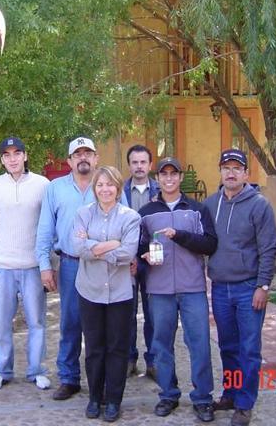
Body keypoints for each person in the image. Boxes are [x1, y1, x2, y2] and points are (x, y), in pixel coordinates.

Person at [36, 136, 128, 400]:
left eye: (88, 153)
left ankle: (106, 380)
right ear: (69, 161)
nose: (83, 158)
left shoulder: (108, 185)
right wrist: (44, 266)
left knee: (105, 325)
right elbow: (45, 230)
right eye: (78, 154)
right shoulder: (55, 189)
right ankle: (69, 377)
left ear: (96, 158)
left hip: (107, 265)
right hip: (71, 265)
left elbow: (126, 224)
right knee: (71, 322)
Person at [139, 157, 218, 422]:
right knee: (161, 344)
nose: (169, 178)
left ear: (180, 177)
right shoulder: (147, 212)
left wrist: (180, 235)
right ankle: (168, 394)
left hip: (192, 287)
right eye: (164, 174)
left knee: (199, 344)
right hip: (159, 289)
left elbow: (209, 244)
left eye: (174, 174)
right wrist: (143, 256)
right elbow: (138, 246)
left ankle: (203, 398)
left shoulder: (197, 209)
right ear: (158, 178)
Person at [204, 149, 276, 426]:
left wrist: (264, 286)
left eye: (237, 168)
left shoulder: (260, 205)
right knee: (228, 346)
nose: (231, 173)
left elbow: (269, 248)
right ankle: (231, 393)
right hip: (221, 288)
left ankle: (245, 403)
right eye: (226, 168)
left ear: (246, 173)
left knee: (249, 348)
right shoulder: (211, 204)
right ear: (220, 172)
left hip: (249, 288)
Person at [0, 137, 51, 391]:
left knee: (37, 322)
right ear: (1, 159)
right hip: (3, 267)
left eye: (17, 153)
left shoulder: (43, 184)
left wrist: (46, 262)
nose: (12, 159)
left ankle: (37, 370)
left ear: (25, 155)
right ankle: (2, 369)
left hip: (32, 266)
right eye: (7, 155)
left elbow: (49, 226)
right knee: (1, 322)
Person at [73, 166, 141, 422]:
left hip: (120, 293)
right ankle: (94, 397)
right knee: (94, 348)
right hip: (89, 290)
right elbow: (78, 247)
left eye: (110, 185)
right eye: (100, 185)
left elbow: (128, 253)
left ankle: (113, 400)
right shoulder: (83, 214)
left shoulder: (130, 217)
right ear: (94, 188)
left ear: (118, 188)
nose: (105, 189)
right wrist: (113, 245)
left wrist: (96, 249)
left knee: (117, 348)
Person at [123, 144, 159, 379]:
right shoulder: (119, 191)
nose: (139, 166)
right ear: (129, 165)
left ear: (149, 165)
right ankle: (129, 359)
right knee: (126, 312)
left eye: (143, 162)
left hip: (153, 258)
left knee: (153, 312)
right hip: (126, 259)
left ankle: (154, 361)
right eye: (134, 162)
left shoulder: (160, 189)